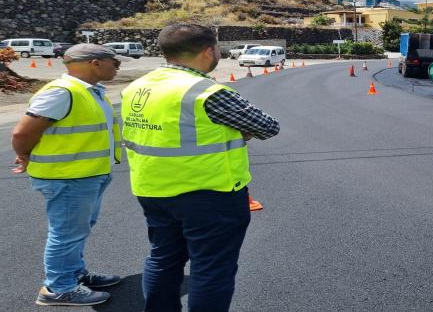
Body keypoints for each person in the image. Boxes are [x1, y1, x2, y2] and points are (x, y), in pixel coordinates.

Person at [122, 24, 280, 312]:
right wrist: (238, 133)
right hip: (210, 194)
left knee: (162, 260)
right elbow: (268, 126)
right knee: (211, 269)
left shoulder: (137, 87)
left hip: (152, 190)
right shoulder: (206, 91)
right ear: (209, 51)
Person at [11, 44, 126, 306]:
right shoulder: (62, 92)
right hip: (67, 177)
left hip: (86, 174)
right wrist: (24, 154)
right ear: (95, 63)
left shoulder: (90, 91)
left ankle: (74, 274)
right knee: (66, 233)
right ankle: (58, 287)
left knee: (78, 230)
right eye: (114, 61)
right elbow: (22, 133)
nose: (117, 66)